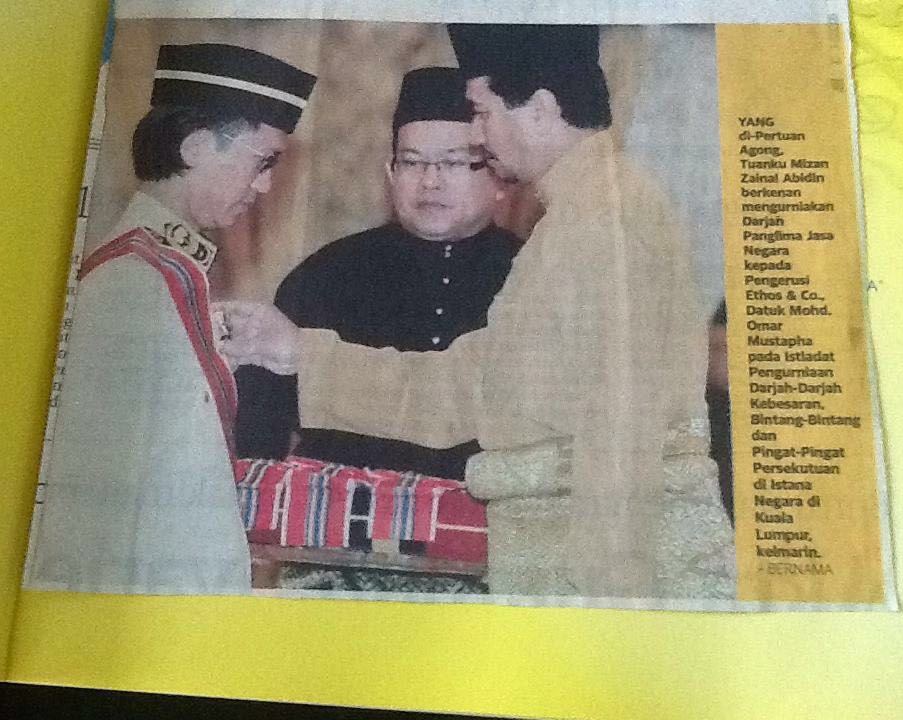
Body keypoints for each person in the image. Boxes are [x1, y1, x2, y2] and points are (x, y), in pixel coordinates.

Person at [219, 25, 734, 599]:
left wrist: (604, 604)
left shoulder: (603, 221)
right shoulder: (583, 214)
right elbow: (481, 387)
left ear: (540, 109)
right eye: (414, 162)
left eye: (483, 113)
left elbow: (621, 435)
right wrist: (298, 353)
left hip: (606, 578)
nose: (481, 136)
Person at [25, 43, 316, 595]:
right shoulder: (132, 283)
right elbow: (94, 512)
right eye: (264, 161)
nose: (264, 186)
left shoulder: (171, 274)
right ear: (196, 147)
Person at [235, 67, 520, 486]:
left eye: (454, 162)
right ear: (390, 174)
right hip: (341, 520)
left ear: (500, 179)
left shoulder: (529, 274)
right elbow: (257, 435)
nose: (430, 181)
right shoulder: (326, 275)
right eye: (412, 162)